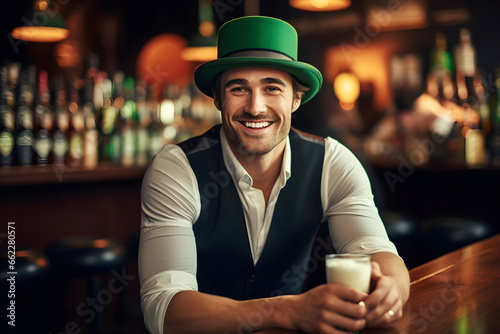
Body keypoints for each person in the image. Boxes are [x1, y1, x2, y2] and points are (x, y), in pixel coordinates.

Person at [139, 16, 410, 334]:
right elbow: (164, 309)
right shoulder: (176, 168)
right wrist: (286, 310)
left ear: (296, 98)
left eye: (272, 88)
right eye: (239, 88)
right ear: (217, 97)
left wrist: (392, 287)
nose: (255, 107)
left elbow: (375, 250)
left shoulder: (332, 162)